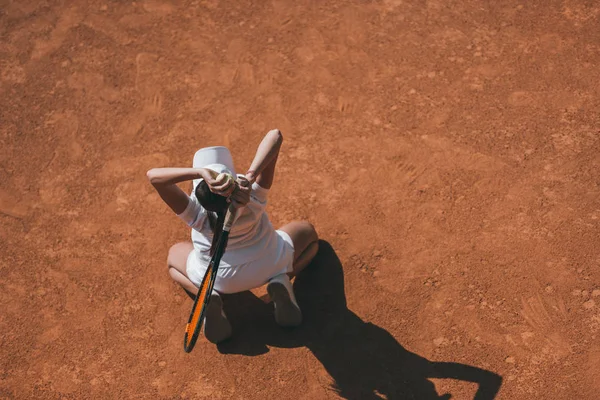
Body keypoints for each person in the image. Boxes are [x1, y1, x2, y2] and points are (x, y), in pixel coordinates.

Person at [146, 129, 319, 343]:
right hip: (268, 264)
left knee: (174, 258)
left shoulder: (196, 213)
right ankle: (281, 279)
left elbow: (153, 176)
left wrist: (199, 172)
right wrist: (251, 175)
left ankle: (208, 294)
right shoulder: (253, 198)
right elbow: (275, 136)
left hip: (218, 279)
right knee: (308, 234)